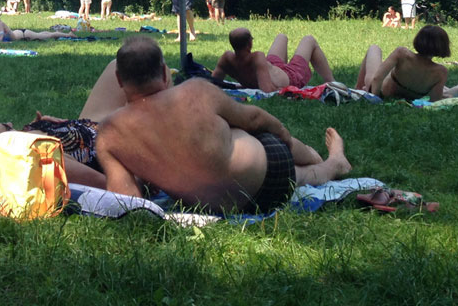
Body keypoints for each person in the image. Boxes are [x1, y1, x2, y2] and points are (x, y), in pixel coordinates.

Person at [94, 37, 352, 214]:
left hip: (211, 204)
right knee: (258, 138)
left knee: (228, 132)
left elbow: (126, 200)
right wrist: (283, 132)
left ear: (118, 79)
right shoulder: (195, 91)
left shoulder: (108, 134)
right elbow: (254, 119)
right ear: (164, 72)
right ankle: (331, 161)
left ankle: (317, 159)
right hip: (268, 177)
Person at [212, 28, 335, 92]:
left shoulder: (226, 58)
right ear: (250, 44)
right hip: (291, 76)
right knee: (309, 40)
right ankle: (333, 83)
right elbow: (268, 91)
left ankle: (333, 83)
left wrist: (239, 86)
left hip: (273, 66)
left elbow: (213, 82)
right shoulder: (257, 57)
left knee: (281, 37)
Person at [356, 25, 451, 101]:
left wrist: (376, 98)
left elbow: (377, 78)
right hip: (409, 97)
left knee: (374, 48)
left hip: (380, 91)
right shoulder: (441, 72)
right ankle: (360, 89)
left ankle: (358, 89)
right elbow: (434, 100)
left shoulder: (402, 54)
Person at [0, 9, 72, 42]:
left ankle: (69, 35)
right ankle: (59, 32)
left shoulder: (0, 24)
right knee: (42, 34)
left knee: (47, 36)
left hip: (24, 34)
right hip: (18, 33)